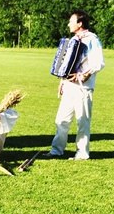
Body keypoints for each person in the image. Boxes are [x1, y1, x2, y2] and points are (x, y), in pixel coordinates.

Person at [43, 10, 105, 160]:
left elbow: (99, 63)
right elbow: (67, 65)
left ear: (80, 23)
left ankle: (82, 154)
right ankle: (57, 150)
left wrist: (84, 75)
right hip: (70, 87)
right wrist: (62, 81)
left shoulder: (92, 39)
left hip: (83, 88)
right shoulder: (73, 40)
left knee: (82, 121)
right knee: (61, 119)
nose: (68, 24)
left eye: (71, 21)